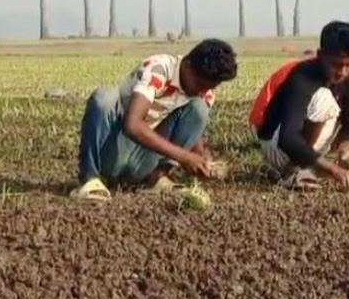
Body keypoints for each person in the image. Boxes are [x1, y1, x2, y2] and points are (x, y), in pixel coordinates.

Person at [72, 39, 239, 201]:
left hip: (143, 159)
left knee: (199, 109)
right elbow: (133, 124)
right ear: (187, 66)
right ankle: (90, 179)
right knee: (104, 97)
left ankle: (157, 178)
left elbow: (192, 128)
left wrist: (203, 159)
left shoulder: (203, 93)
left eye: (208, 87)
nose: (201, 91)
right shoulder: (159, 70)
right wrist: (184, 156)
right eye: (199, 84)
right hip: (114, 148)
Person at [257, 21, 349, 191]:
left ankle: (320, 159)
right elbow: (288, 139)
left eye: (348, 64)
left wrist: (344, 150)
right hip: (278, 146)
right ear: (320, 56)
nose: (343, 72)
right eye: (336, 65)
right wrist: (331, 169)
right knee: (324, 99)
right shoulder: (303, 78)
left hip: (309, 141)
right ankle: (295, 170)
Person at [248, 43, 349, 131]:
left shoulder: (335, 75)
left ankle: (338, 144)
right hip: (274, 127)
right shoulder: (305, 75)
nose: (345, 73)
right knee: (324, 102)